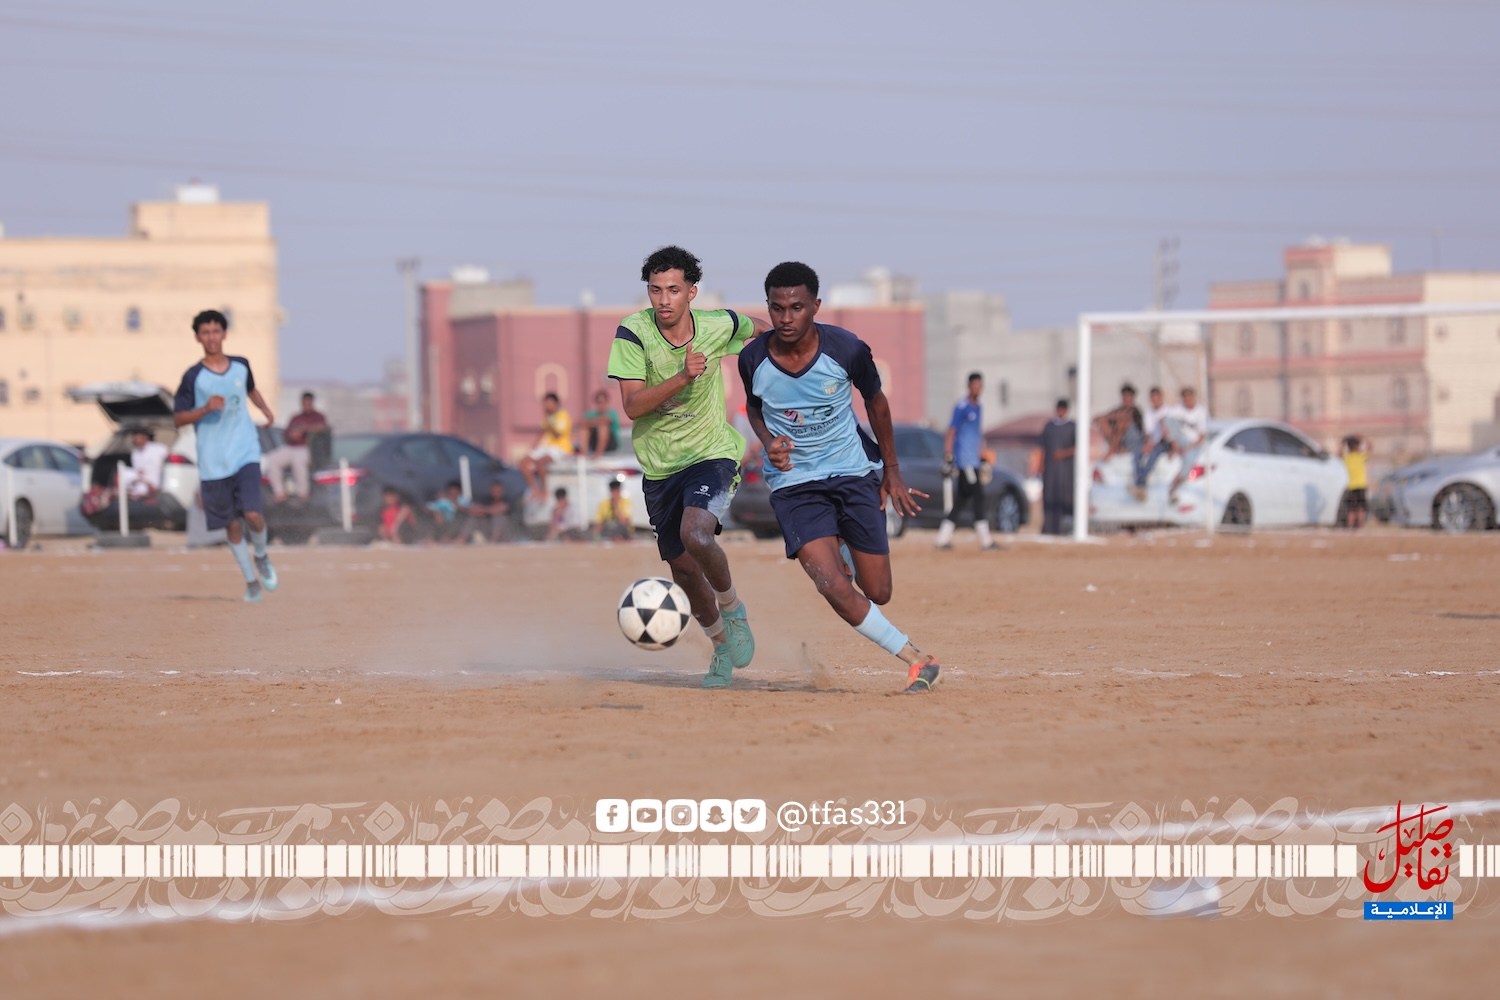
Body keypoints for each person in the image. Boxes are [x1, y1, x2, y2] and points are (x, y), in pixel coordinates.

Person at [740, 260, 941, 694]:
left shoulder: (847, 349)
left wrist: (892, 471)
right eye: (777, 308)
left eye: (796, 307)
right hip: (795, 483)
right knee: (830, 583)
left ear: (815, 306)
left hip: (853, 472)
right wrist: (768, 440)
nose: (786, 318)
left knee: (878, 591)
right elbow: (754, 408)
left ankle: (845, 547)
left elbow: (877, 403)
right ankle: (917, 660)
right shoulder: (753, 359)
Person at [607, 245, 767, 688]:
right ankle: (721, 647)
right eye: (655, 290)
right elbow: (632, 406)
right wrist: (682, 376)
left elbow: (763, 329)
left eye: (673, 290)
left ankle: (733, 611)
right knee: (682, 570)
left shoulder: (718, 324)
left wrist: (779, 371)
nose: (663, 300)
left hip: (710, 453)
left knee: (696, 534)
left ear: (691, 292)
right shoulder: (632, 333)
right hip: (660, 467)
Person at [172, 309, 278, 601]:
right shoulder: (193, 377)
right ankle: (250, 581)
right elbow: (178, 418)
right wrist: (205, 408)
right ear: (197, 337)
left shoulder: (241, 365)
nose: (211, 337)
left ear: (224, 334)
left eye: (216, 331)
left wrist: (264, 409)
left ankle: (261, 554)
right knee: (232, 525)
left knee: (253, 515)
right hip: (214, 462)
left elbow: (251, 389)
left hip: (245, 452)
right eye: (205, 333)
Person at [936, 371, 997, 551]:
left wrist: (981, 456)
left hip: (974, 461)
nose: (978, 389)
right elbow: (951, 431)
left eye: (980, 385)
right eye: (975, 385)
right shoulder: (962, 407)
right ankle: (986, 540)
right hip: (965, 462)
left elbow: (976, 435)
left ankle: (942, 538)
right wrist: (948, 455)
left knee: (962, 500)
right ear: (969, 386)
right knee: (978, 495)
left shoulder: (978, 407)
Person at [264, 392, 329, 502]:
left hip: (306, 448)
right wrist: (293, 434)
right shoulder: (296, 417)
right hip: (291, 446)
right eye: (304, 403)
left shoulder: (318, 416)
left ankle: (302, 493)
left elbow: (322, 427)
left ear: (312, 403)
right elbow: (287, 433)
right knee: (272, 459)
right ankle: (279, 492)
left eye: (308, 403)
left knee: (298, 461)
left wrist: (304, 429)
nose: (306, 406)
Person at [520, 393, 573, 501]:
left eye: (549, 403)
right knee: (523, 462)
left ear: (556, 404)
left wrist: (549, 421)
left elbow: (557, 434)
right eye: (545, 404)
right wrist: (532, 449)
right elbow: (541, 433)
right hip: (547, 447)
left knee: (540, 462)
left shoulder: (562, 415)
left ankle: (544, 491)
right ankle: (535, 490)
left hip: (561, 448)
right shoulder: (547, 418)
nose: (546, 406)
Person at [1164, 386, 1209, 502]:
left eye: (1189, 398)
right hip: (1180, 440)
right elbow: (1166, 422)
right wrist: (1174, 445)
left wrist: (1187, 449)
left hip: (1193, 444)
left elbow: (1201, 437)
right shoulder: (1178, 409)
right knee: (1168, 420)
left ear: (1193, 398)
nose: (1188, 401)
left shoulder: (1201, 412)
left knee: (1188, 463)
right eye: (1185, 398)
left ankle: (1174, 487)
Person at [1039, 399, 1076, 536]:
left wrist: (1063, 454)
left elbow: (1079, 447)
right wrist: (1040, 466)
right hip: (1050, 470)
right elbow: (1042, 448)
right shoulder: (1049, 427)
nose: (1061, 412)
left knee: (1066, 497)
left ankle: (1065, 528)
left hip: (1066, 471)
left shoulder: (1073, 427)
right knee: (1049, 497)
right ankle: (1049, 528)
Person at [1131, 386, 1170, 501]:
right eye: (1153, 399)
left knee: (1152, 457)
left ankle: (1140, 485)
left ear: (1161, 398)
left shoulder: (1168, 411)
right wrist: (1148, 444)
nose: (1155, 401)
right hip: (1153, 442)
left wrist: (1153, 445)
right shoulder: (1148, 413)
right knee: (1137, 455)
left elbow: (1167, 434)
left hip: (1165, 443)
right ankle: (1140, 487)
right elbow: (1149, 432)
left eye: (1157, 398)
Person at [1097, 383, 1144, 460]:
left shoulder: (1135, 411)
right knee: (1102, 422)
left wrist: (1114, 417)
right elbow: (1099, 418)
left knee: (1122, 422)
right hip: (1120, 440)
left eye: (1128, 396)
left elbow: (1126, 418)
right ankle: (1117, 448)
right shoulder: (1119, 409)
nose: (1126, 398)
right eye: (1125, 396)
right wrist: (1108, 418)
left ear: (1132, 398)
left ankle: (1113, 450)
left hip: (1134, 440)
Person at [125, 428, 169, 499]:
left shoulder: (159, 448)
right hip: (142, 480)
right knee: (125, 472)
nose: (136, 441)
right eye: (135, 439)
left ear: (145, 438)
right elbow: (137, 470)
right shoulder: (135, 453)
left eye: (138, 438)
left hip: (157, 479)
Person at [1340, 434, 1371, 529]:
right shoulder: (1361, 456)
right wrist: (1363, 437)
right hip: (1361, 486)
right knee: (1361, 508)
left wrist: (1343, 443)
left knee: (1351, 509)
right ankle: (1360, 527)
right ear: (1358, 446)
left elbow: (1339, 454)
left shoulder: (1347, 458)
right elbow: (1370, 446)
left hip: (1351, 486)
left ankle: (1351, 527)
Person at [581, 389, 621, 459]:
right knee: (584, 429)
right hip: (595, 442)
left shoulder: (612, 413)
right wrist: (595, 422)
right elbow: (582, 423)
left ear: (606, 402)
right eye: (599, 402)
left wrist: (592, 422)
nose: (601, 405)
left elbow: (605, 421)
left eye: (602, 402)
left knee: (603, 427)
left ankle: (598, 455)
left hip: (610, 444)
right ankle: (584, 455)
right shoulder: (591, 414)